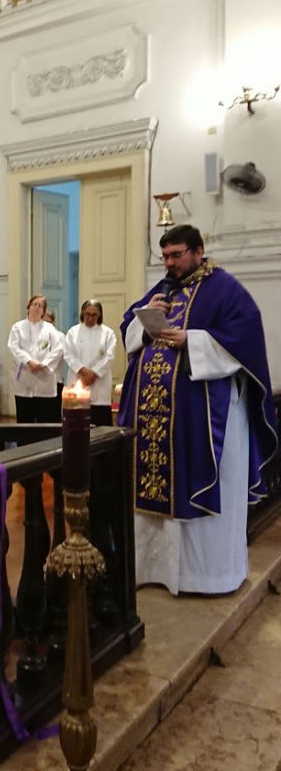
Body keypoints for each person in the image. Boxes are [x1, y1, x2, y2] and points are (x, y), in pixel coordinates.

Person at [118, 224, 277, 596]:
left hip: (201, 421)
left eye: (177, 255)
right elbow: (129, 326)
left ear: (198, 251)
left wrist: (193, 339)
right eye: (166, 257)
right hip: (155, 425)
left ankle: (205, 578)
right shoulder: (163, 290)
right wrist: (145, 318)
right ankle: (152, 569)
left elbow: (245, 336)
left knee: (195, 494)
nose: (170, 263)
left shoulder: (225, 288)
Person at [8, 294, 63, 422]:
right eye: (35, 304)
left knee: (45, 418)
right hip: (24, 378)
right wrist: (29, 361)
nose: (37, 308)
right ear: (28, 307)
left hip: (43, 378)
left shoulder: (49, 328)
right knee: (24, 417)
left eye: (41, 306)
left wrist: (43, 364)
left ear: (43, 311)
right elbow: (14, 347)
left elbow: (58, 348)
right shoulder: (18, 327)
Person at [64, 299, 117, 426]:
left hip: (100, 384)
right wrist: (83, 371)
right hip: (78, 380)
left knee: (100, 424)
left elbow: (109, 356)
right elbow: (68, 354)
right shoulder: (73, 332)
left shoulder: (108, 333)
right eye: (87, 314)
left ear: (99, 315)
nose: (90, 318)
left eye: (94, 315)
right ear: (82, 314)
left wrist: (94, 373)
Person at [43, 309, 65, 414]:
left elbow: (57, 357)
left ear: (53, 322)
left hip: (55, 380)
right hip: (39, 382)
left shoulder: (60, 337)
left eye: (49, 322)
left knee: (53, 414)